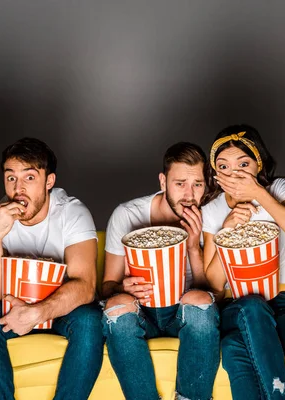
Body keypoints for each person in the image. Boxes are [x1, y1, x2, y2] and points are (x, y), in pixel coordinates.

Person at [0, 137, 104, 400]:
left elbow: (85, 286)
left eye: (29, 178)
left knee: (91, 320)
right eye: (11, 178)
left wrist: (36, 313)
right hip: (11, 306)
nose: (18, 189)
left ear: (49, 181)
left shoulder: (72, 213)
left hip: (61, 311)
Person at [202, 124, 285, 400]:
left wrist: (259, 194)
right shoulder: (212, 209)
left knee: (234, 348)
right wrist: (225, 230)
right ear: (215, 171)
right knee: (251, 306)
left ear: (258, 164)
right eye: (223, 166)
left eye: (243, 164)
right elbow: (213, 283)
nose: (233, 173)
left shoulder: (277, 188)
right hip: (236, 307)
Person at [101, 142, 220, 400]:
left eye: (197, 184)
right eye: (180, 183)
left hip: (184, 314)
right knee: (117, 306)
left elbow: (212, 292)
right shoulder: (127, 215)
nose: (189, 195)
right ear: (163, 181)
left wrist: (193, 247)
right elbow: (107, 286)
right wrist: (123, 287)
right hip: (142, 314)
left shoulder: (208, 217)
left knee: (198, 301)